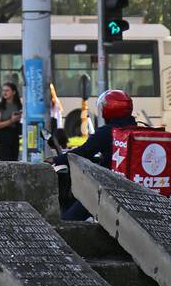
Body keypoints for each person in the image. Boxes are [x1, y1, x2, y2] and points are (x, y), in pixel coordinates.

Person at [54, 89, 139, 220]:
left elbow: (82, 152)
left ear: (109, 110)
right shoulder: (137, 130)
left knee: (69, 219)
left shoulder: (107, 132)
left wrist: (55, 159)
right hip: (135, 188)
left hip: (108, 189)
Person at [0, 81, 23, 161]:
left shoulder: (19, 105)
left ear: (14, 92)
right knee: (5, 160)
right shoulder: (0, 106)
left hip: (15, 136)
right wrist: (11, 121)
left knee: (14, 160)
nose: (4, 92)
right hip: (3, 136)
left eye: (7, 90)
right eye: (3, 90)